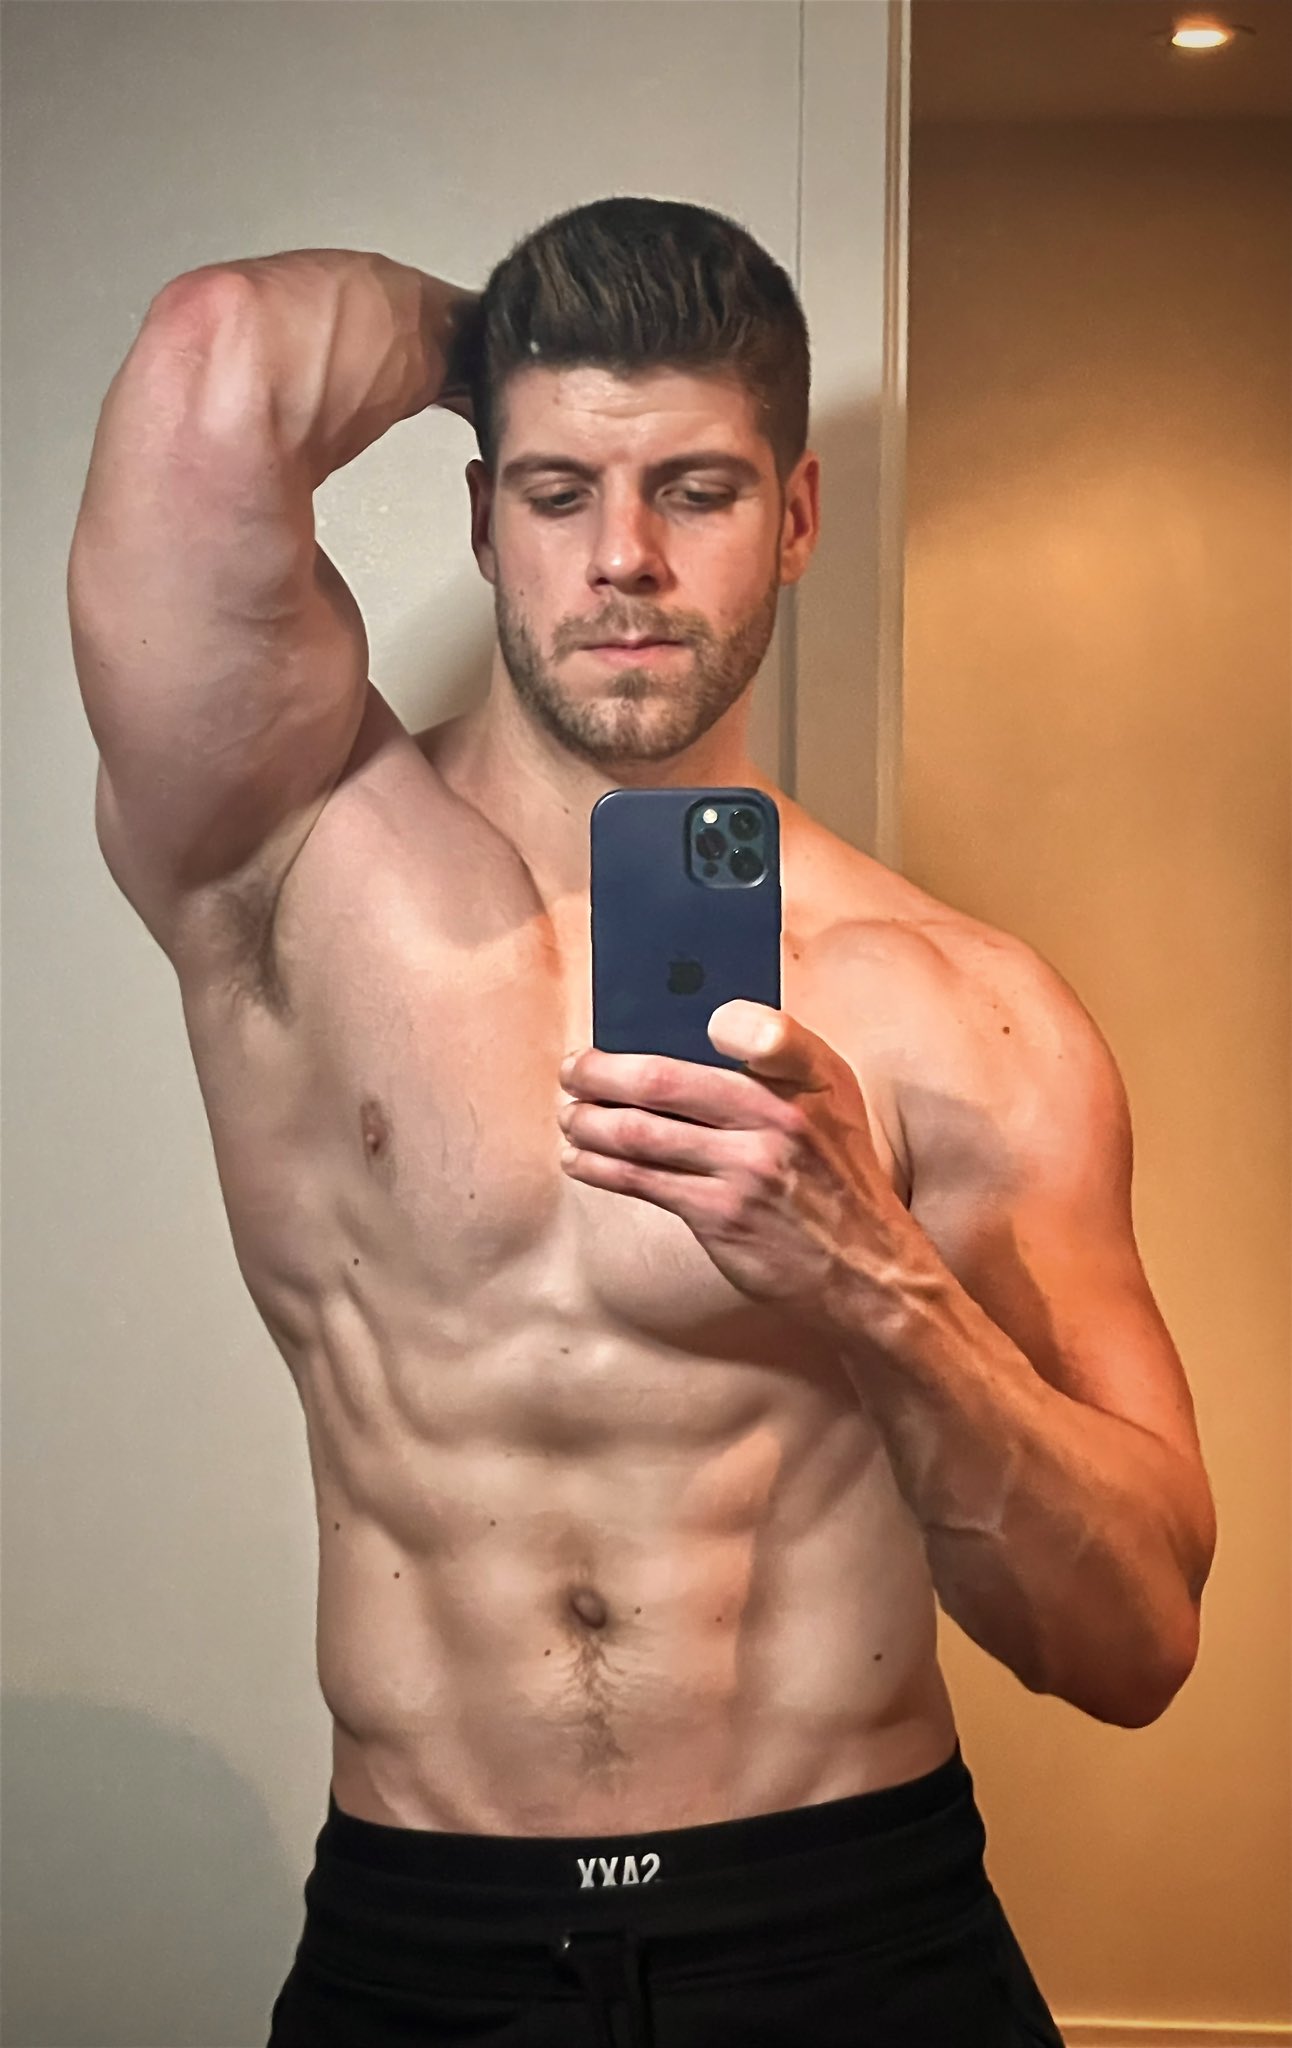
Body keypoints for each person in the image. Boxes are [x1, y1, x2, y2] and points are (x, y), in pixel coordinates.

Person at [67, 196, 1215, 2047]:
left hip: (846, 1929)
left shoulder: (965, 1011)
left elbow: (1138, 1639)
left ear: (798, 517)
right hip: (431, 1940)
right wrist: (503, 338)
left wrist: (877, 1283)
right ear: (480, 519)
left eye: (695, 488)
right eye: (556, 493)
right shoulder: (285, 867)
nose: (624, 558)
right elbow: (214, 357)